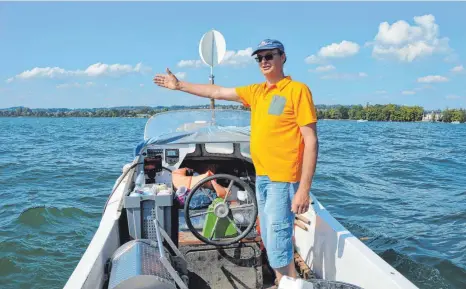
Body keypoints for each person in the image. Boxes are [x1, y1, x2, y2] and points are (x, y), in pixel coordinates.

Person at [153, 39, 318, 285]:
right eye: (259, 58)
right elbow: (217, 92)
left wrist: (303, 190)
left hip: (282, 179)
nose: (264, 61)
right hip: (262, 178)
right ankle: (284, 281)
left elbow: (311, 141)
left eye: (269, 56)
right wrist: (179, 86)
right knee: (272, 237)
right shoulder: (258, 92)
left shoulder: (297, 90)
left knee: (278, 236)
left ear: (282, 57)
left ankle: (287, 280)